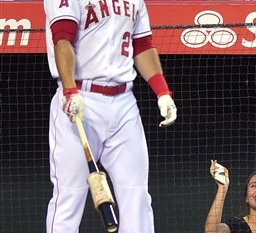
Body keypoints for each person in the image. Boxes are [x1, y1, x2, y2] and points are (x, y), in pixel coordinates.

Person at [43, 0, 177, 232]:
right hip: (80, 98)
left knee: (136, 194)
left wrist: (162, 91)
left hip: (124, 101)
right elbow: (62, 39)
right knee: (69, 196)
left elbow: (143, 45)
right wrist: (69, 90)